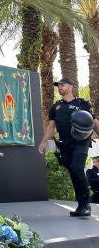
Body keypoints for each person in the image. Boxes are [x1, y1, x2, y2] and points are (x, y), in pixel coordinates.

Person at [39, 78, 99, 217]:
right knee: (73, 171)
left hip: (81, 142)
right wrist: (43, 142)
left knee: (78, 168)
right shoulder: (56, 107)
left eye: (62, 84)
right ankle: (81, 205)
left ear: (71, 87)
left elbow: (94, 122)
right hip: (65, 144)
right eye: (58, 85)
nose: (59, 87)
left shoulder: (82, 104)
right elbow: (51, 126)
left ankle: (85, 205)